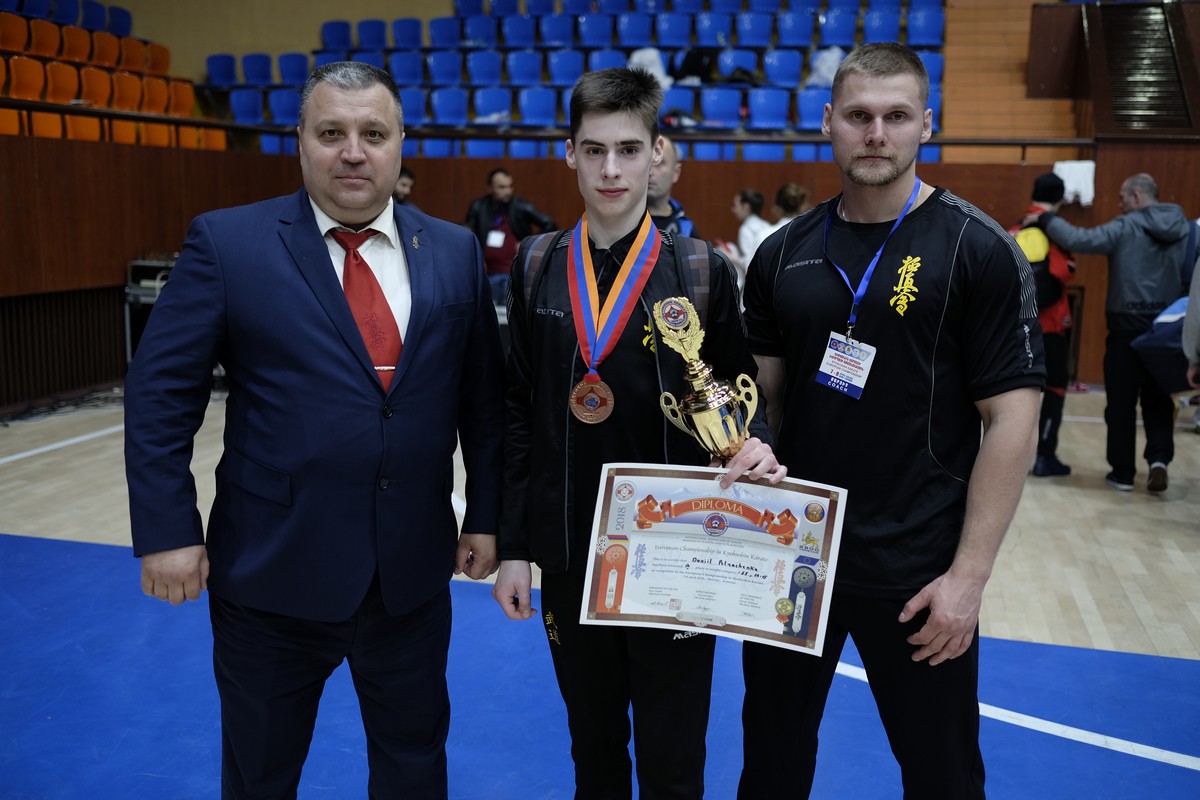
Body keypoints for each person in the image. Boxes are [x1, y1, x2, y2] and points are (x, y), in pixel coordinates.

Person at [124, 61, 505, 799]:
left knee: (414, 769)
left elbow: (483, 404)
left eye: (373, 134)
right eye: (331, 133)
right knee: (260, 776)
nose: (352, 152)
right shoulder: (228, 244)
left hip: (410, 578)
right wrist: (168, 529)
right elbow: (160, 393)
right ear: (300, 139)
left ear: (400, 144)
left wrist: (486, 516)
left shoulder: (453, 251)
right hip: (272, 575)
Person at [738, 43, 1044, 799]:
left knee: (942, 775)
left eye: (897, 116)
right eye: (859, 115)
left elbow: (1012, 419)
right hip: (795, 557)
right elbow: (761, 401)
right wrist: (748, 450)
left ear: (926, 125)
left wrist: (968, 579)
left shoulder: (978, 248)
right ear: (829, 122)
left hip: (919, 567)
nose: (876, 133)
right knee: (771, 769)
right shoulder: (782, 253)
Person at [491, 67, 785, 799]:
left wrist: (754, 440)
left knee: (673, 757)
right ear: (569, 153)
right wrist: (516, 548)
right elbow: (518, 411)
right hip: (567, 555)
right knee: (592, 750)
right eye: (594, 150)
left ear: (657, 153)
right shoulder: (536, 265)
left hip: (677, 556)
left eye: (628, 149)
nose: (611, 170)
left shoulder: (702, 270)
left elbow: (740, 395)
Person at [1030, 172, 1191, 492]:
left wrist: (1046, 218)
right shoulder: (1184, 229)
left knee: (1120, 402)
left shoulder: (1126, 226)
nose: (1119, 204)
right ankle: (1159, 461)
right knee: (1159, 399)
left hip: (1125, 327)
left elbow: (1079, 240)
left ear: (1136, 196)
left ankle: (1122, 473)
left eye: (1122, 197)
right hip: (1166, 327)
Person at [1011, 172, 1076, 477]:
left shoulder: (1013, 230)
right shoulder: (1053, 234)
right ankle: (1044, 457)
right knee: (1055, 387)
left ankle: (1012, 457)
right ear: (1061, 199)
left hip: (1015, 326)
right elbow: (1064, 273)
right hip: (1049, 325)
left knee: (1013, 392)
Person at [464, 167, 557, 304]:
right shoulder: (478, 207)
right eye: (502, 187)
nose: (508, 191)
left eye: (510, 186)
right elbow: (468, 234)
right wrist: (477, 258)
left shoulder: (520, 206)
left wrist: (529, 244)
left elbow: (549, 224)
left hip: (515, 275)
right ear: (490, 188)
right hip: (487, 275)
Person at [717, 188, 773, 295]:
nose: (733, 210)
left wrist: (729, 256)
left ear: (746, 207)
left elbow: (749, 264)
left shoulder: (746, 229)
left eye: (735, 206)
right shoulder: (766, 225)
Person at [646, 135, 698, 237]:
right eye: (647, 162)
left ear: (676, 172)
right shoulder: (619, 223)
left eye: (659, 162)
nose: (650, 172)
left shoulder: (685, 228)